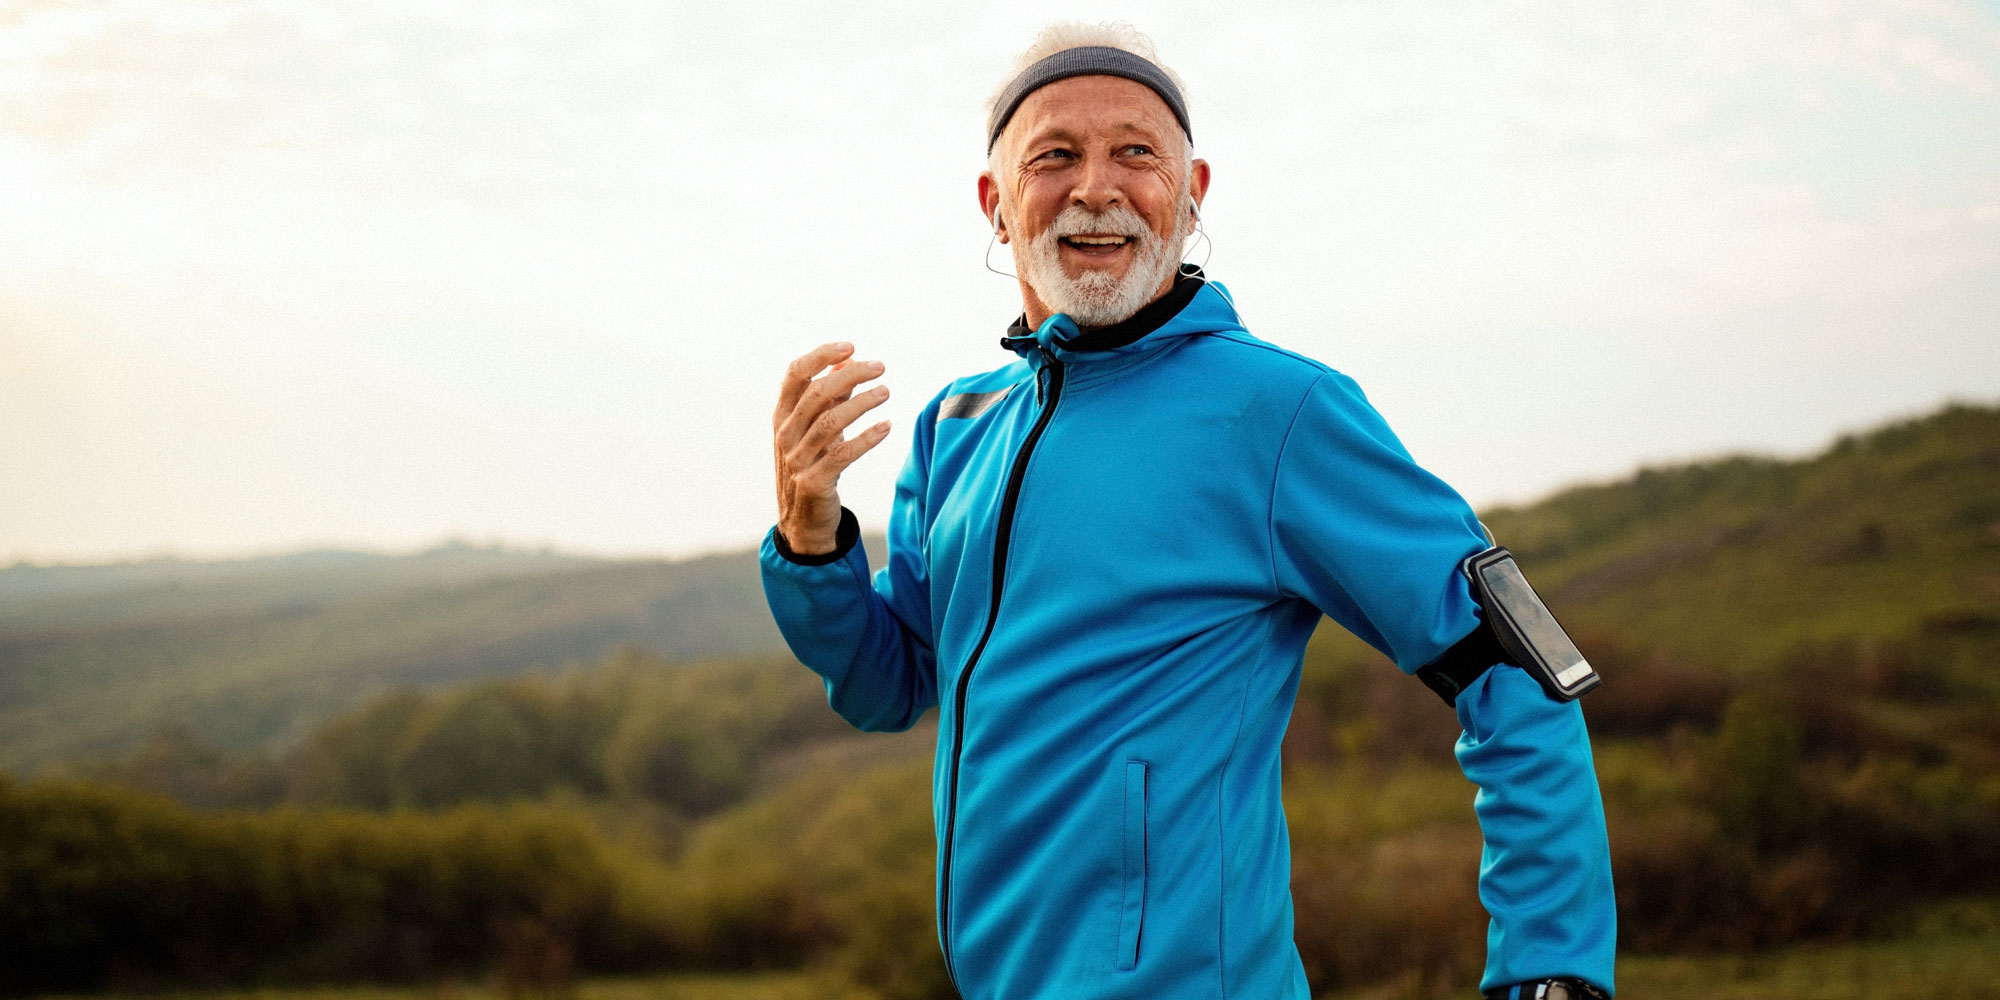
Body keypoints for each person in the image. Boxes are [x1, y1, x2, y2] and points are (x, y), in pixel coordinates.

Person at [761, 21, 1615, 1000]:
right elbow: (888, 682)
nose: (1095, 186)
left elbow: (1512, 669)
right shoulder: (955, 426)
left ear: (1190, 194)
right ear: (994, 205)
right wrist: (809, 533)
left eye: (1135, 152)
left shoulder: (1276, 412)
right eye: (1054, 155)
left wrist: (1551, 973)